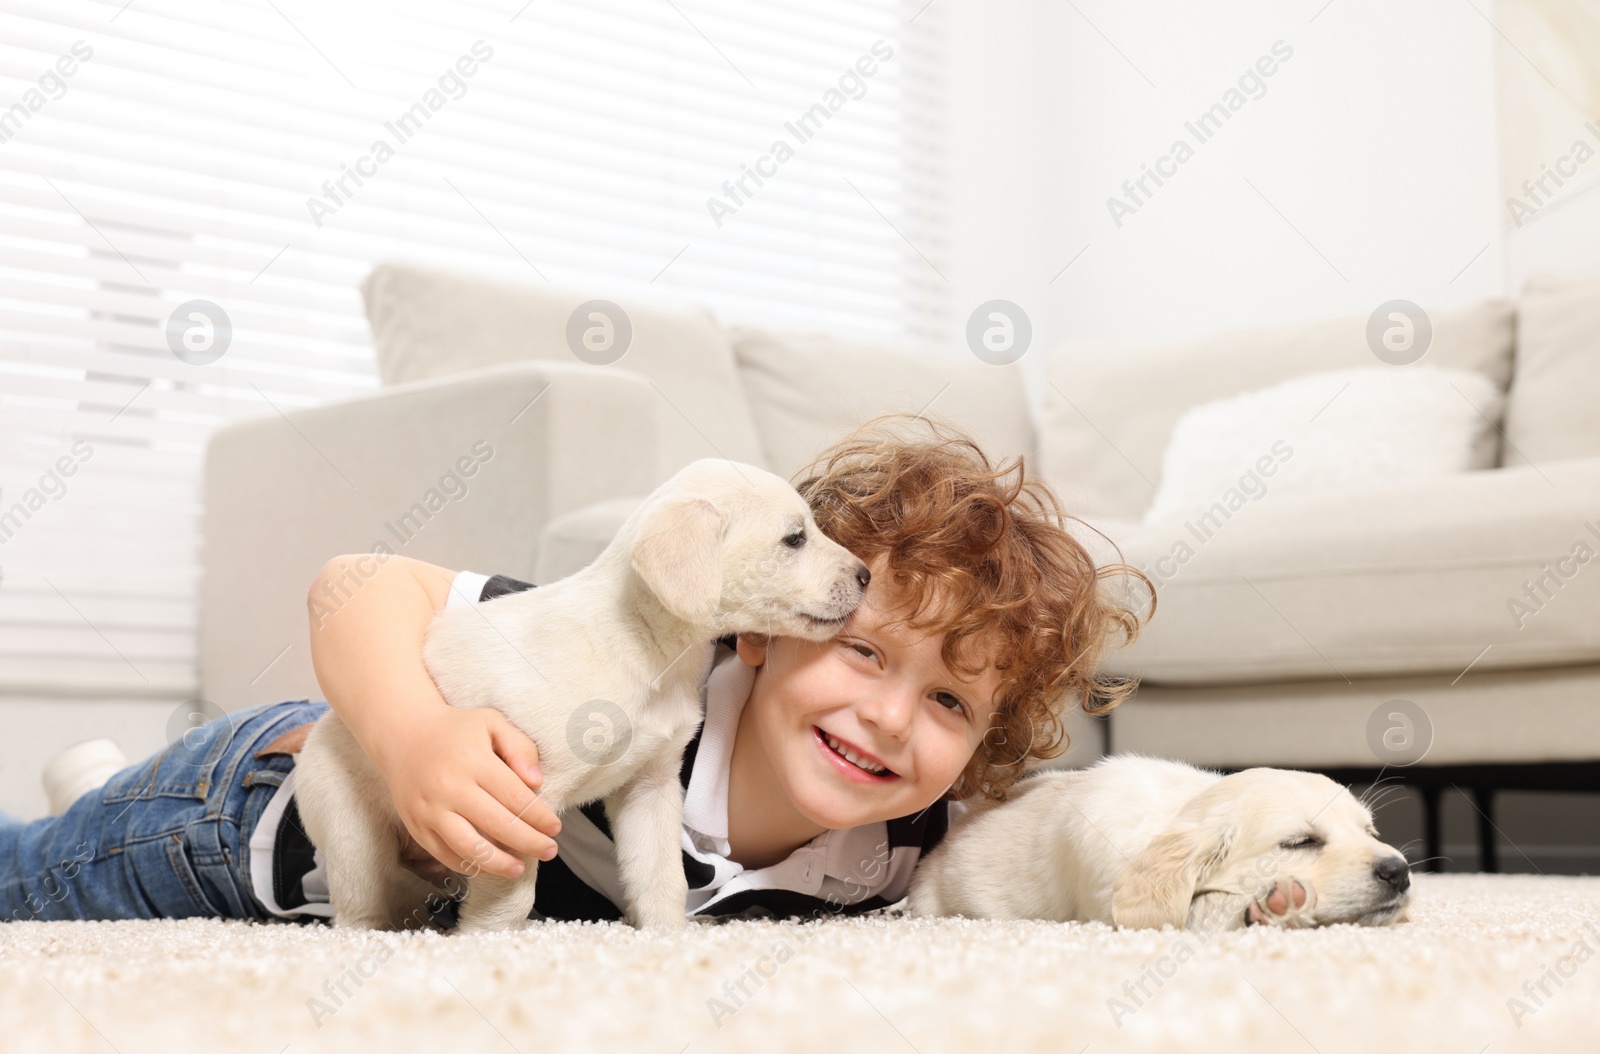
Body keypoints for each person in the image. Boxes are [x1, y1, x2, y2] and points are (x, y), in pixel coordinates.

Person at [0, 414, 1151, 926]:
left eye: (950, 700)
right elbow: (355, 585)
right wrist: (414, 741)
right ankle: (96, 805)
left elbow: (1068, 834)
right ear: (760, 624)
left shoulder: (902, 841)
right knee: (39, 879)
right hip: (242, 821)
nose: (890, 715)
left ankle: (90, 782)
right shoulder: (628, 665)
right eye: (861, 650)